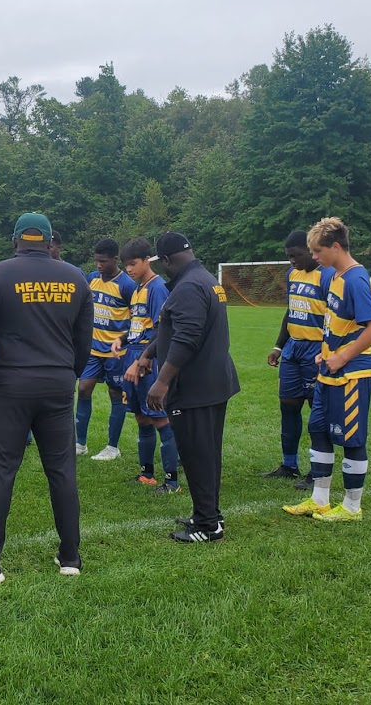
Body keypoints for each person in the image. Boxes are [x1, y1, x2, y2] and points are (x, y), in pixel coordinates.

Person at [0, 213, 93, 583]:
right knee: (62, 471)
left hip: (9, 385)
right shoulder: (75, 277)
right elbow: (84, 340)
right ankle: (70, 557)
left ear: (16, 240)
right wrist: (68, 373)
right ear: (48, 242)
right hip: (57, 383)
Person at [283, 218, 371, 523]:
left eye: (318, 251)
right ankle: (320, 500)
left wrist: (342, 357)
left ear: (336, 247)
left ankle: (352, 507)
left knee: (351, 439)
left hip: (352, 373)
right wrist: (326, 354)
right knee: (319, 431)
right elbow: (340, 323)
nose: (314, 257)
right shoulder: (336, 276)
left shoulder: (355, 279)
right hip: (327, 371)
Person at [140, 232, 240, 543]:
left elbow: (186, 338)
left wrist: (162, 381)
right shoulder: (205, 278)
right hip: (214, 381)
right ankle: (208, 512)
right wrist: (147, 354)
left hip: (195, 387)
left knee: (197, 455)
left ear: (167, 260)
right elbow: (175, 329)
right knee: (207, 453)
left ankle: (208, 526)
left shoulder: (188, 287)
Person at [264, 231, 334, 490]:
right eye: (288, 257)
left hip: (316, 351)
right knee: (288, 406)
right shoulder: (292, 275)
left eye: (296, 255)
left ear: (311, 251)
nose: (292, 261)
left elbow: (335, 318)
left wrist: (329, 351)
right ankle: (289, 465)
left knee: (317, 411)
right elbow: (291, 311)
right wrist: (278, 346)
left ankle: (318, 471)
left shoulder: (327, 275)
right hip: (293, 350)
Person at [117, 239, 179, 492]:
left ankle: (172, 480)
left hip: (146, 360)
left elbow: (161, 330)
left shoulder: (157, 289)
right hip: (130, 355)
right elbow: (138, 322)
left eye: (133, 264)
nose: (129, 269)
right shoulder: (137, 288)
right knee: (142, 417)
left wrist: (144, 360)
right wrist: (121, 338)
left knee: (159, 418)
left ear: (146, 260)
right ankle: (147, 474)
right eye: (126, 265)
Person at [77, 238, 137, 459]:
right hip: (92, 349)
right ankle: (79, 443)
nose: (99, 265)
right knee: (83, 389)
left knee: (115, 393)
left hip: (116, 352)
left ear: (115, 259)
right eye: (96, 261)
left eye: (103, 261)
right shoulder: (91, 279)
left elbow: (137, 317)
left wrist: (123, 339)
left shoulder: (127, 285)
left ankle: (112, 447)